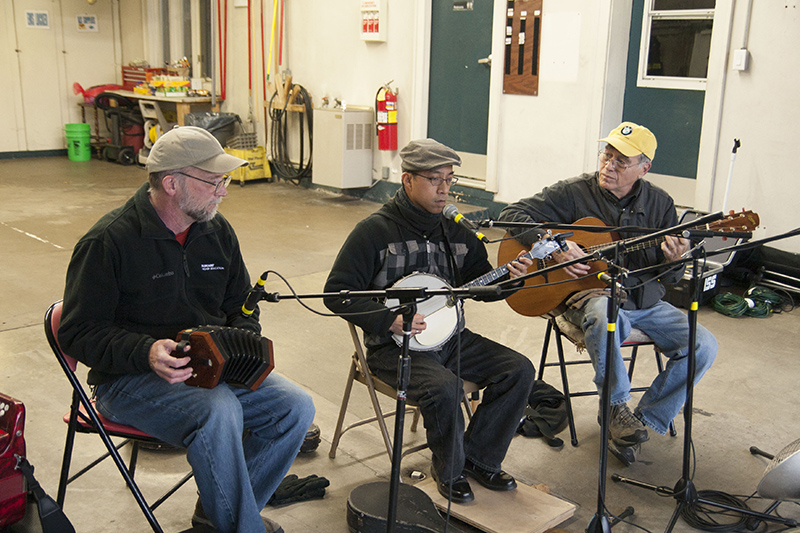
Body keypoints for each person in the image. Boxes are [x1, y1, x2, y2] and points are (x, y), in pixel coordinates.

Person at [58, 126, 315, 533]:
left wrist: (243, 341)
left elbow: (240, 305)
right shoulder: (110, 242)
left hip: (211, 372)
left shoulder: (217, 231)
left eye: (224, 181)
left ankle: (217, 519)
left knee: (296, 407)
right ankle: (241, 527)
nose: (224, 192)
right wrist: (145, 352)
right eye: (214, 181)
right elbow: (76, 331)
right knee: (219, 410)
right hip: (126, 381)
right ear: (172, 183)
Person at [324, 138, 536, 503]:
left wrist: (510, 279)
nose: (444, 189)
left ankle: (480, 458)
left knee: (518, 369)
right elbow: (336, 292)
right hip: (392, 347)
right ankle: (449, 469)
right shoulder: (374, 231)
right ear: (407, 180)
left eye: (450, 179)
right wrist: (386, 319)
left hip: (451, 339)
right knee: (446, 388)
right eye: (434, 179)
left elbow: (479, 286)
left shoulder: (457, 232)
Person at [499, 122, 717, 464]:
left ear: (644, 168)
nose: (609, 165)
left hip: (643, 300)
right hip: (589, 298)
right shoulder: (573, 192)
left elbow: (669, 277)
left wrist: (676, 259)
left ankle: (643, 422)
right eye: (607, 154)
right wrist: (554, 245)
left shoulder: (661, 205)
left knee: (704, 344)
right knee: (605, 316)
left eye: (621, 161)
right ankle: (615, 407)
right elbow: (511, 214)